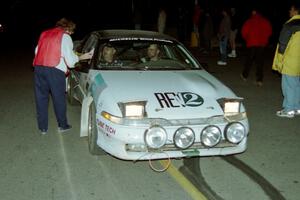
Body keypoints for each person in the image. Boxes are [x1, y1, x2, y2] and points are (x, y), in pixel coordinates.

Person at [33, 18, 94, 135]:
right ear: (68, 28)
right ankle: (62, 125)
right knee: (59, 98)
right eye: (71, 31)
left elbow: (37, 51)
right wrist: (82, 57)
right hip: (55, 70)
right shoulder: (65, 37)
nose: (71, 33)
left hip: (39, 69)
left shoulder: (44, 34)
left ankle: (42, 128)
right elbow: (71, 62)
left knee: (41, 99)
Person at [272, 4, 300, 118]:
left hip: (290, 60)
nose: (289, 11)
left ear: (294, 10)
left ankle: (288, 109)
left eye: (290, 9)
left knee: (288, 85)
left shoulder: (290, 24)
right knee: (297, 85)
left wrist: (279, 62)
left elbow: (282, 44)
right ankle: (297, 107)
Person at [240, 8, 272, 87]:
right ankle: (259, 80)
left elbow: (244, 32)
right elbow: (269, 31)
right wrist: (265, 39)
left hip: (252, 44)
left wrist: (248, 39)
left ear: (254, 12)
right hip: (261, 45)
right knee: (260, 62)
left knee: (249, 61)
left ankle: (245, 76)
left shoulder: (249, 21)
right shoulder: (265, 21)